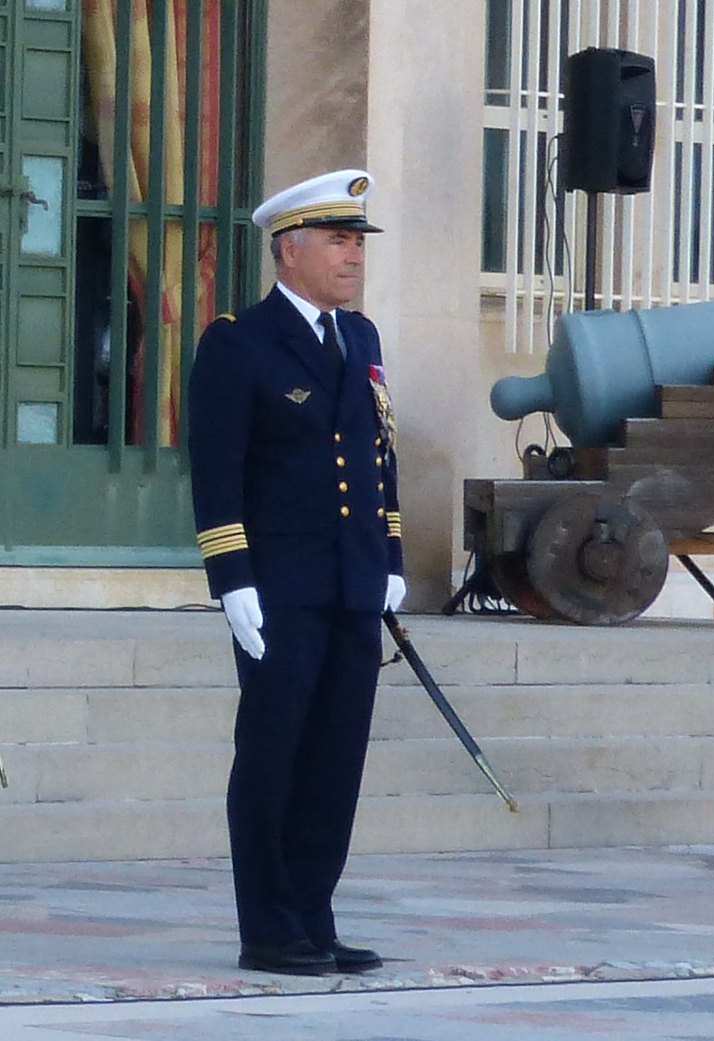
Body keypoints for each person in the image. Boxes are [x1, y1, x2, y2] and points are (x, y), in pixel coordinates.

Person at [187, 169, 405, 975]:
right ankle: (268, 925)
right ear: (291, 250)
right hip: (279, 587)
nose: (354, 257)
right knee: (274, 751)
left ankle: (313, 912)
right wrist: (231, 577)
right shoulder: (239, 341)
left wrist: (389, 555)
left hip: (351, 586)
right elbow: (216, 470)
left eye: (357, 242)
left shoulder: (363, 338)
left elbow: (380, 458)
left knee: (335, 758)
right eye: (340, 242)